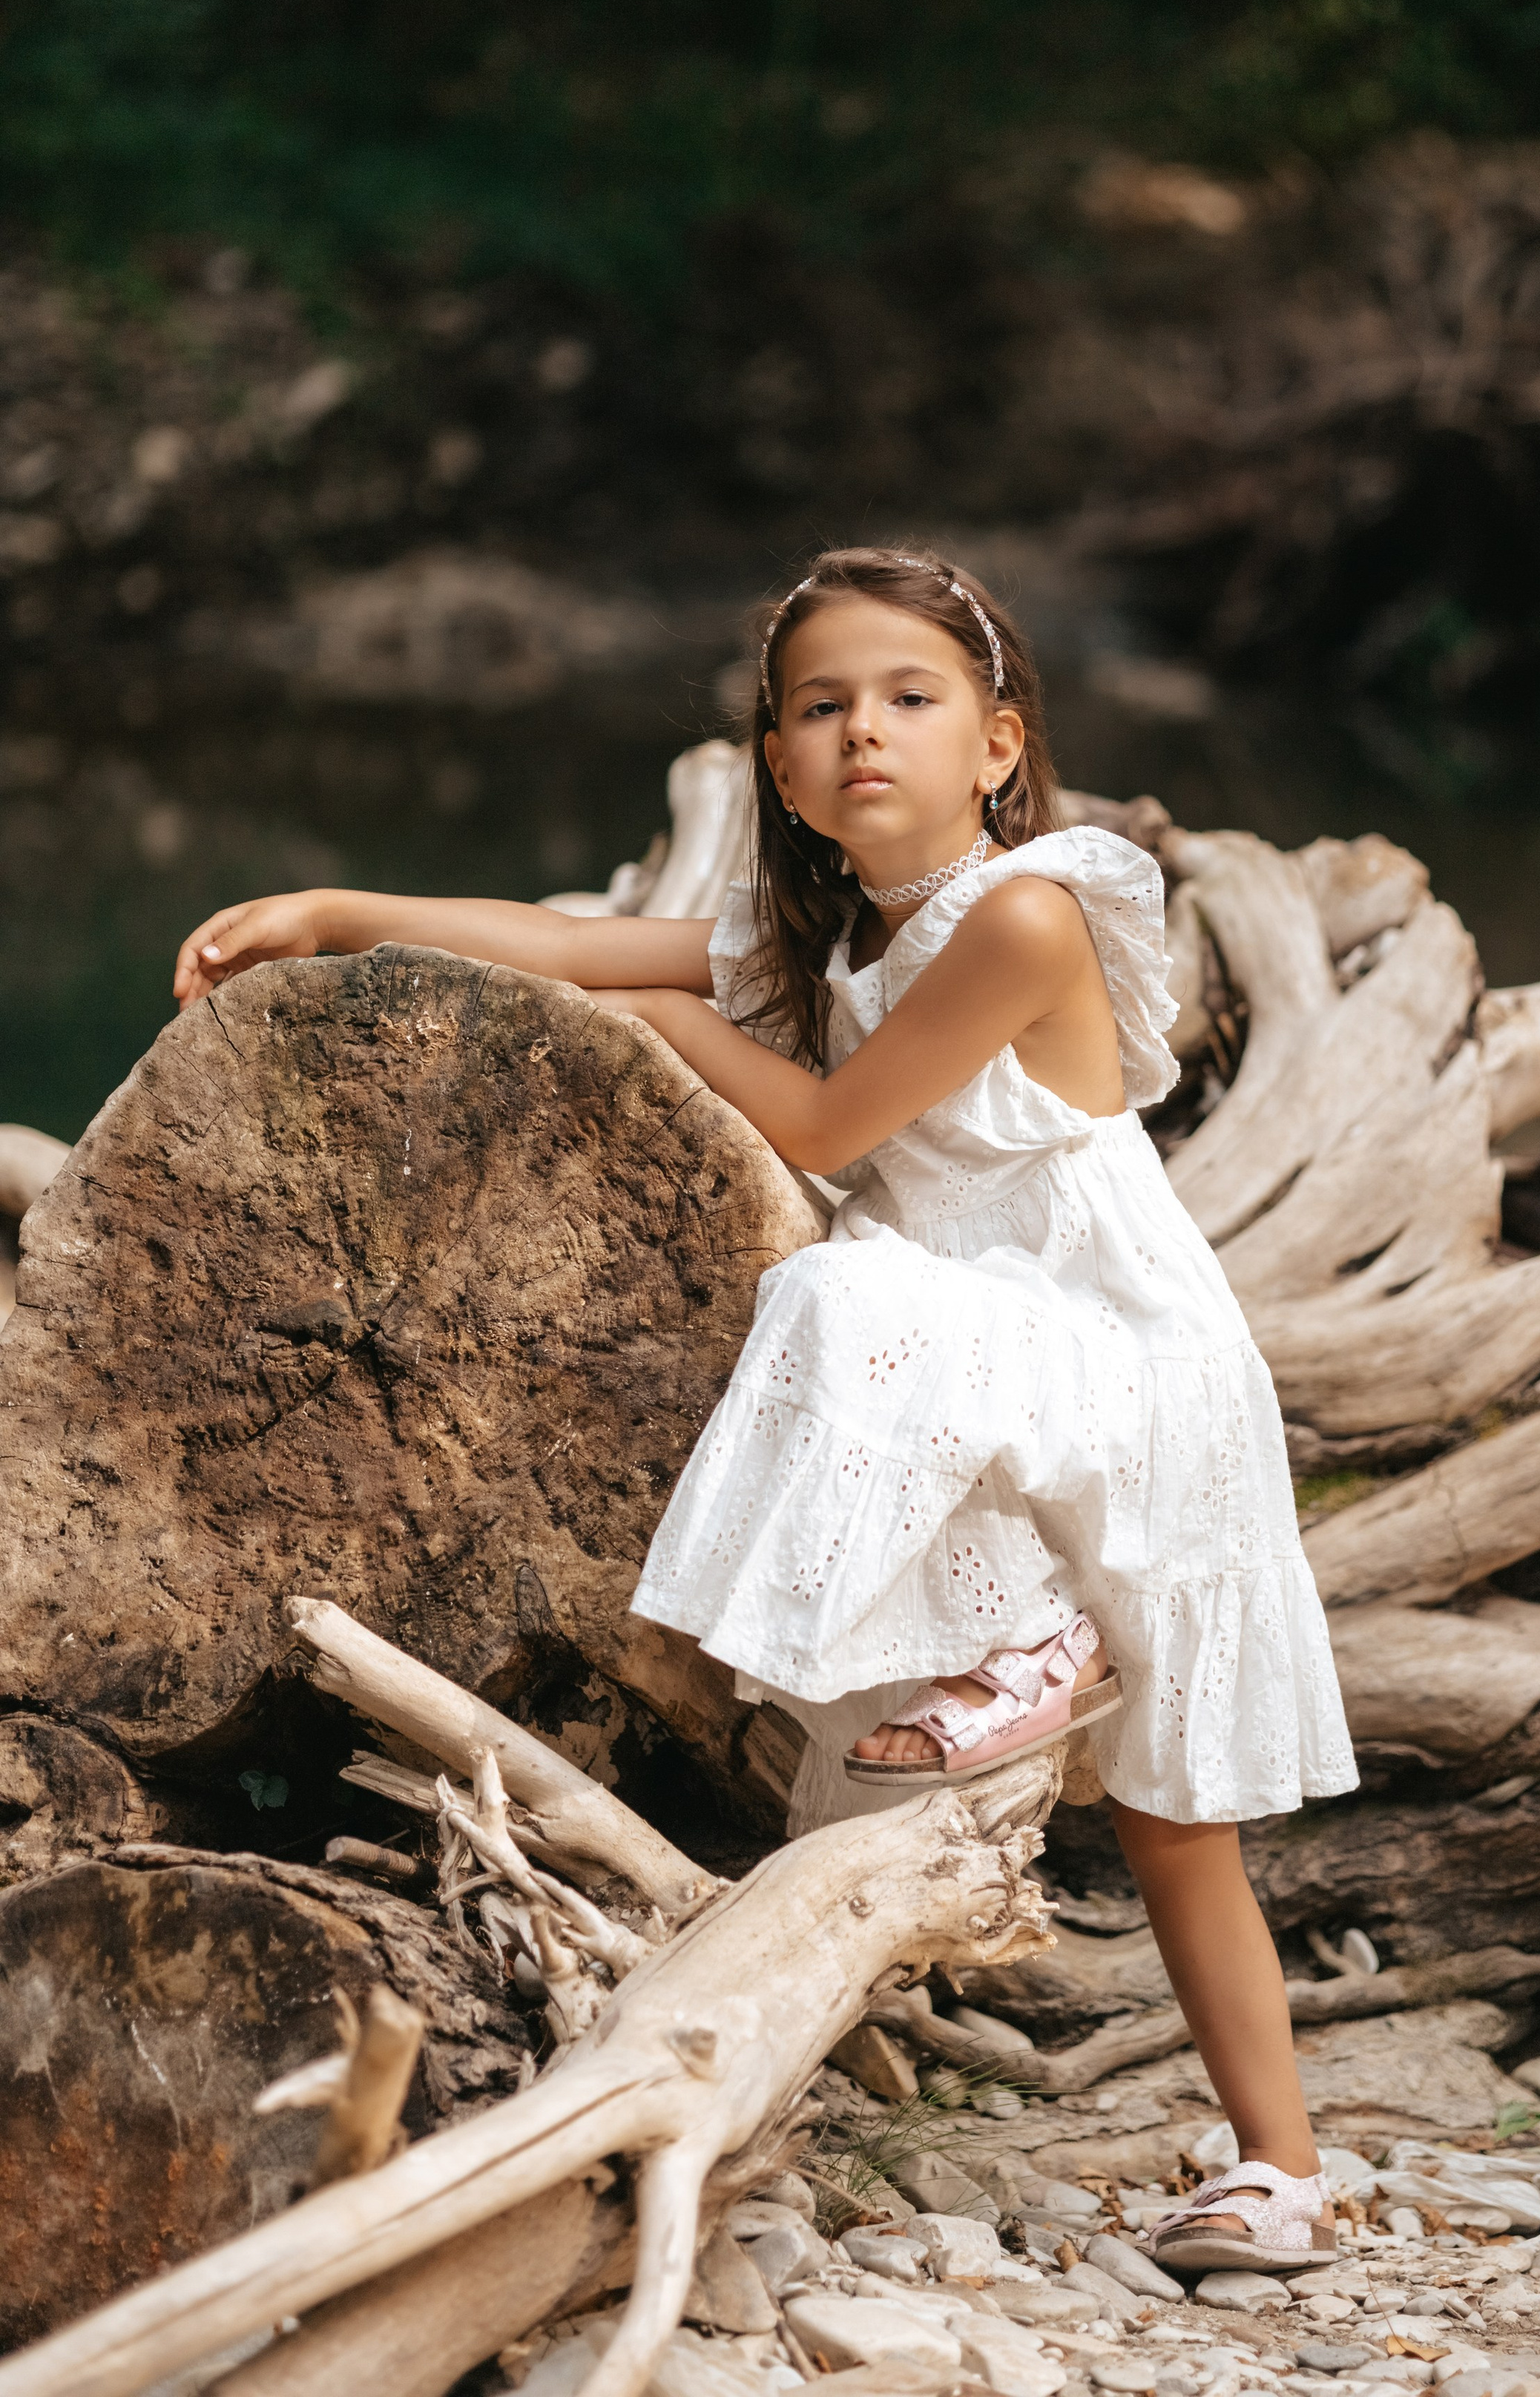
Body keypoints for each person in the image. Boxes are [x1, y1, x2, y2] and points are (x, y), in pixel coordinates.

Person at [174, 542, 1357, 2275]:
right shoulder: (828, 933)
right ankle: (1202, 2099)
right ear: (781, 771)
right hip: (991, 1357)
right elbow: (572, 941)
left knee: (1175, 1808)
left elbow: (825, 1131)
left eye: (907, 697)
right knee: (1037, 1794)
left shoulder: (1024, 913)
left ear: (997, 743)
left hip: (1118, 1363)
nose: (861, 731)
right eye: (820, 708)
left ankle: (1273, 2145)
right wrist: (342, 914)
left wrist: (667, 1007)